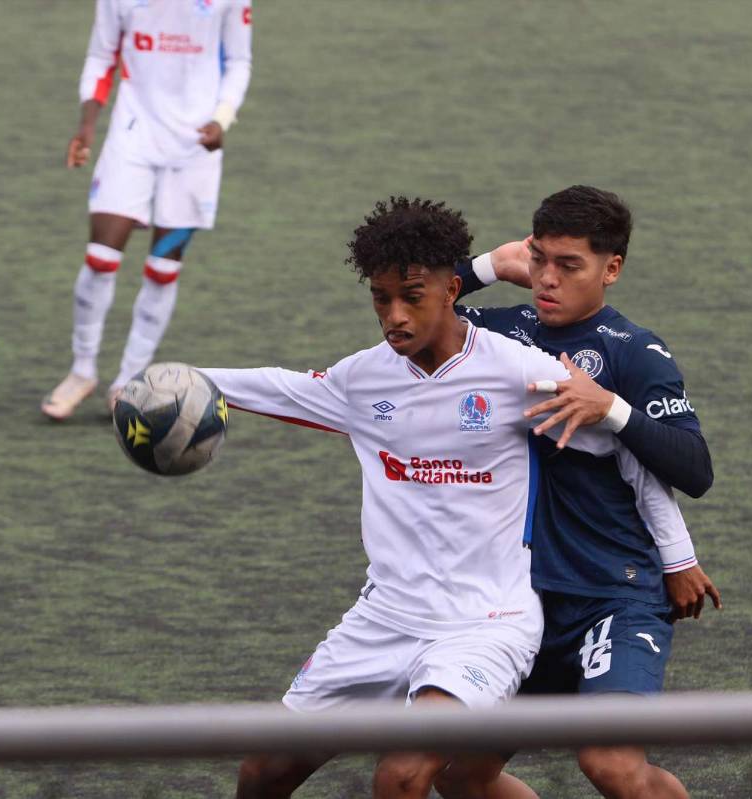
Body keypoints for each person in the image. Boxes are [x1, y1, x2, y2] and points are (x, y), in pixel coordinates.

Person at [194, 197, 697, 799]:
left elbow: (628, 454)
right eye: (380, 299)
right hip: (385, 617)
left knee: (404, 775)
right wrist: (181, 381)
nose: (394, 317)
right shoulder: (362, 378)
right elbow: (279, 387)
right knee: (263, 771)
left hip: (486, 621)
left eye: (411, 297)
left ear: (449, 291)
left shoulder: (522, 369)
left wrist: (678, 557)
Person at [434, 185, 722, 799]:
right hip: (521, 604)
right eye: (539, 259)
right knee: (460, 779)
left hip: (612, 594)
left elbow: (695, 469)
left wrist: (610, 408)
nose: (547, 279)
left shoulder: (635, 352)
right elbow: (411, 313)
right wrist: (489, 265)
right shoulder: (504, 331)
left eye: (570, 266)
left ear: (611, 269)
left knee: (611, 764)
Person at [42, 0, 253, 420]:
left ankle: (128, 381)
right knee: (100, 258)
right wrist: (87, 125)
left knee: (163, 268)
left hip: (194, 146)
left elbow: (238, 61)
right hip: (132, 135)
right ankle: (81, 370)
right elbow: (101, 56)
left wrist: (222, 118)